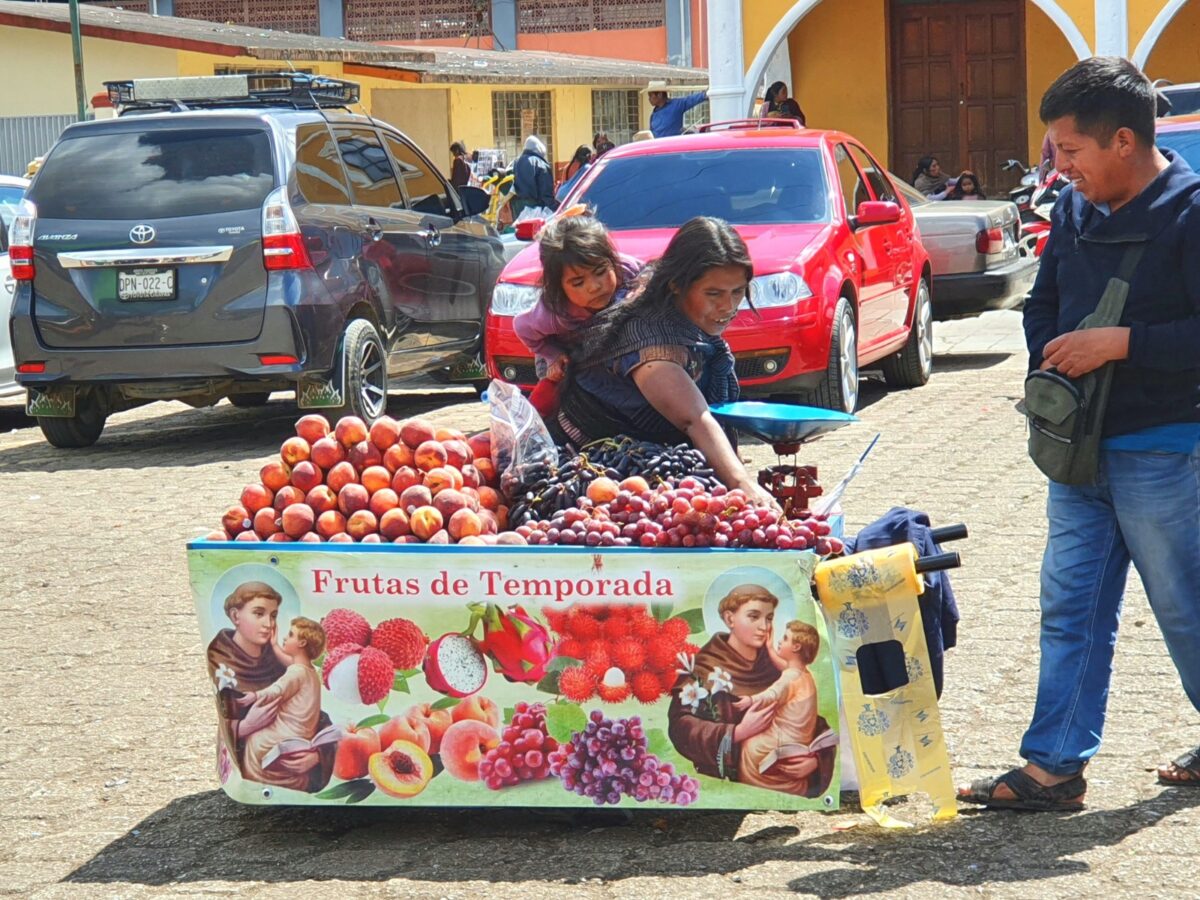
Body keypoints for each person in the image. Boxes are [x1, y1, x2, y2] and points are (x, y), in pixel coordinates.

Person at [960, 57, 1200, 812]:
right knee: (1070, 605)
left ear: (1122, 140)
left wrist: (1119, 344)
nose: (1058, 169)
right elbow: (1044, 302)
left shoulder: (1192, 213)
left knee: (1186, 605)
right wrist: (1053, 364)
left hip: (1166, 447)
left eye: (1069, 152)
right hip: (1077, 455)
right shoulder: (1073, 211)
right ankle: (1055, 765)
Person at [549, 216, 774, 505]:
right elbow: (694, 418)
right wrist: (741, 483)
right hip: (589, 480)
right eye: (713, 293)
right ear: (677, 285)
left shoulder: (683, 322)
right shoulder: (651, 341)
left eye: (737, 292)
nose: (728, 307)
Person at [668, 585, 835, 795]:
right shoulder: (704, 668)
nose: (764, 626)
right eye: (754, 616)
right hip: (724, 789)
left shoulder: (778, 670)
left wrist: (814, 760)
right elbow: (681, 726)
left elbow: (807, 718)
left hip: (783, 782)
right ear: (730, 619)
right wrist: (736, 733)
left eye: (769, 618)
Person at [514, 215, 642, 416]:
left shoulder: (627, 270)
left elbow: (652, 277)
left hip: (608, 346)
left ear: (612, 261)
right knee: (557, 399)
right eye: (578, 283)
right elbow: (522, 328)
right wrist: (552, 355)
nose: (594, 286)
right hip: (561, 349)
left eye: (600, 271)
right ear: (559, 287)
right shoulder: (553, 313)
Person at [733, 620, 833, 795]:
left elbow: (772, 694)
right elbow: (785, 667)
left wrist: (750, 700)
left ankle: (758, 787)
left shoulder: (789, 679)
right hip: (799, 738)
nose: (780, 640)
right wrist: (771, 648)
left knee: (750, 747)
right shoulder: (803, 673)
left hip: (785, 737)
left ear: (796, 647)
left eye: (785, 638)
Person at [236, 617, 326, 791]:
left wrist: (254, 696)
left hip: (288, 732)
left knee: (255, 742)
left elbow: (277, 689)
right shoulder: (310, 670)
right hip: (303, 733)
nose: (285, 637)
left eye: (290, 635)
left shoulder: (296, 673)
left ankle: (258, 780)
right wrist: (275, 645)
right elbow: (291, 664)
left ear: (302, 643)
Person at [512, 135, 557, 217]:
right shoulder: (541, 164)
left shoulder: (515, 162)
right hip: (535, 209)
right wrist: (554, 209)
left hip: (517, 208)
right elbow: (545, 193)